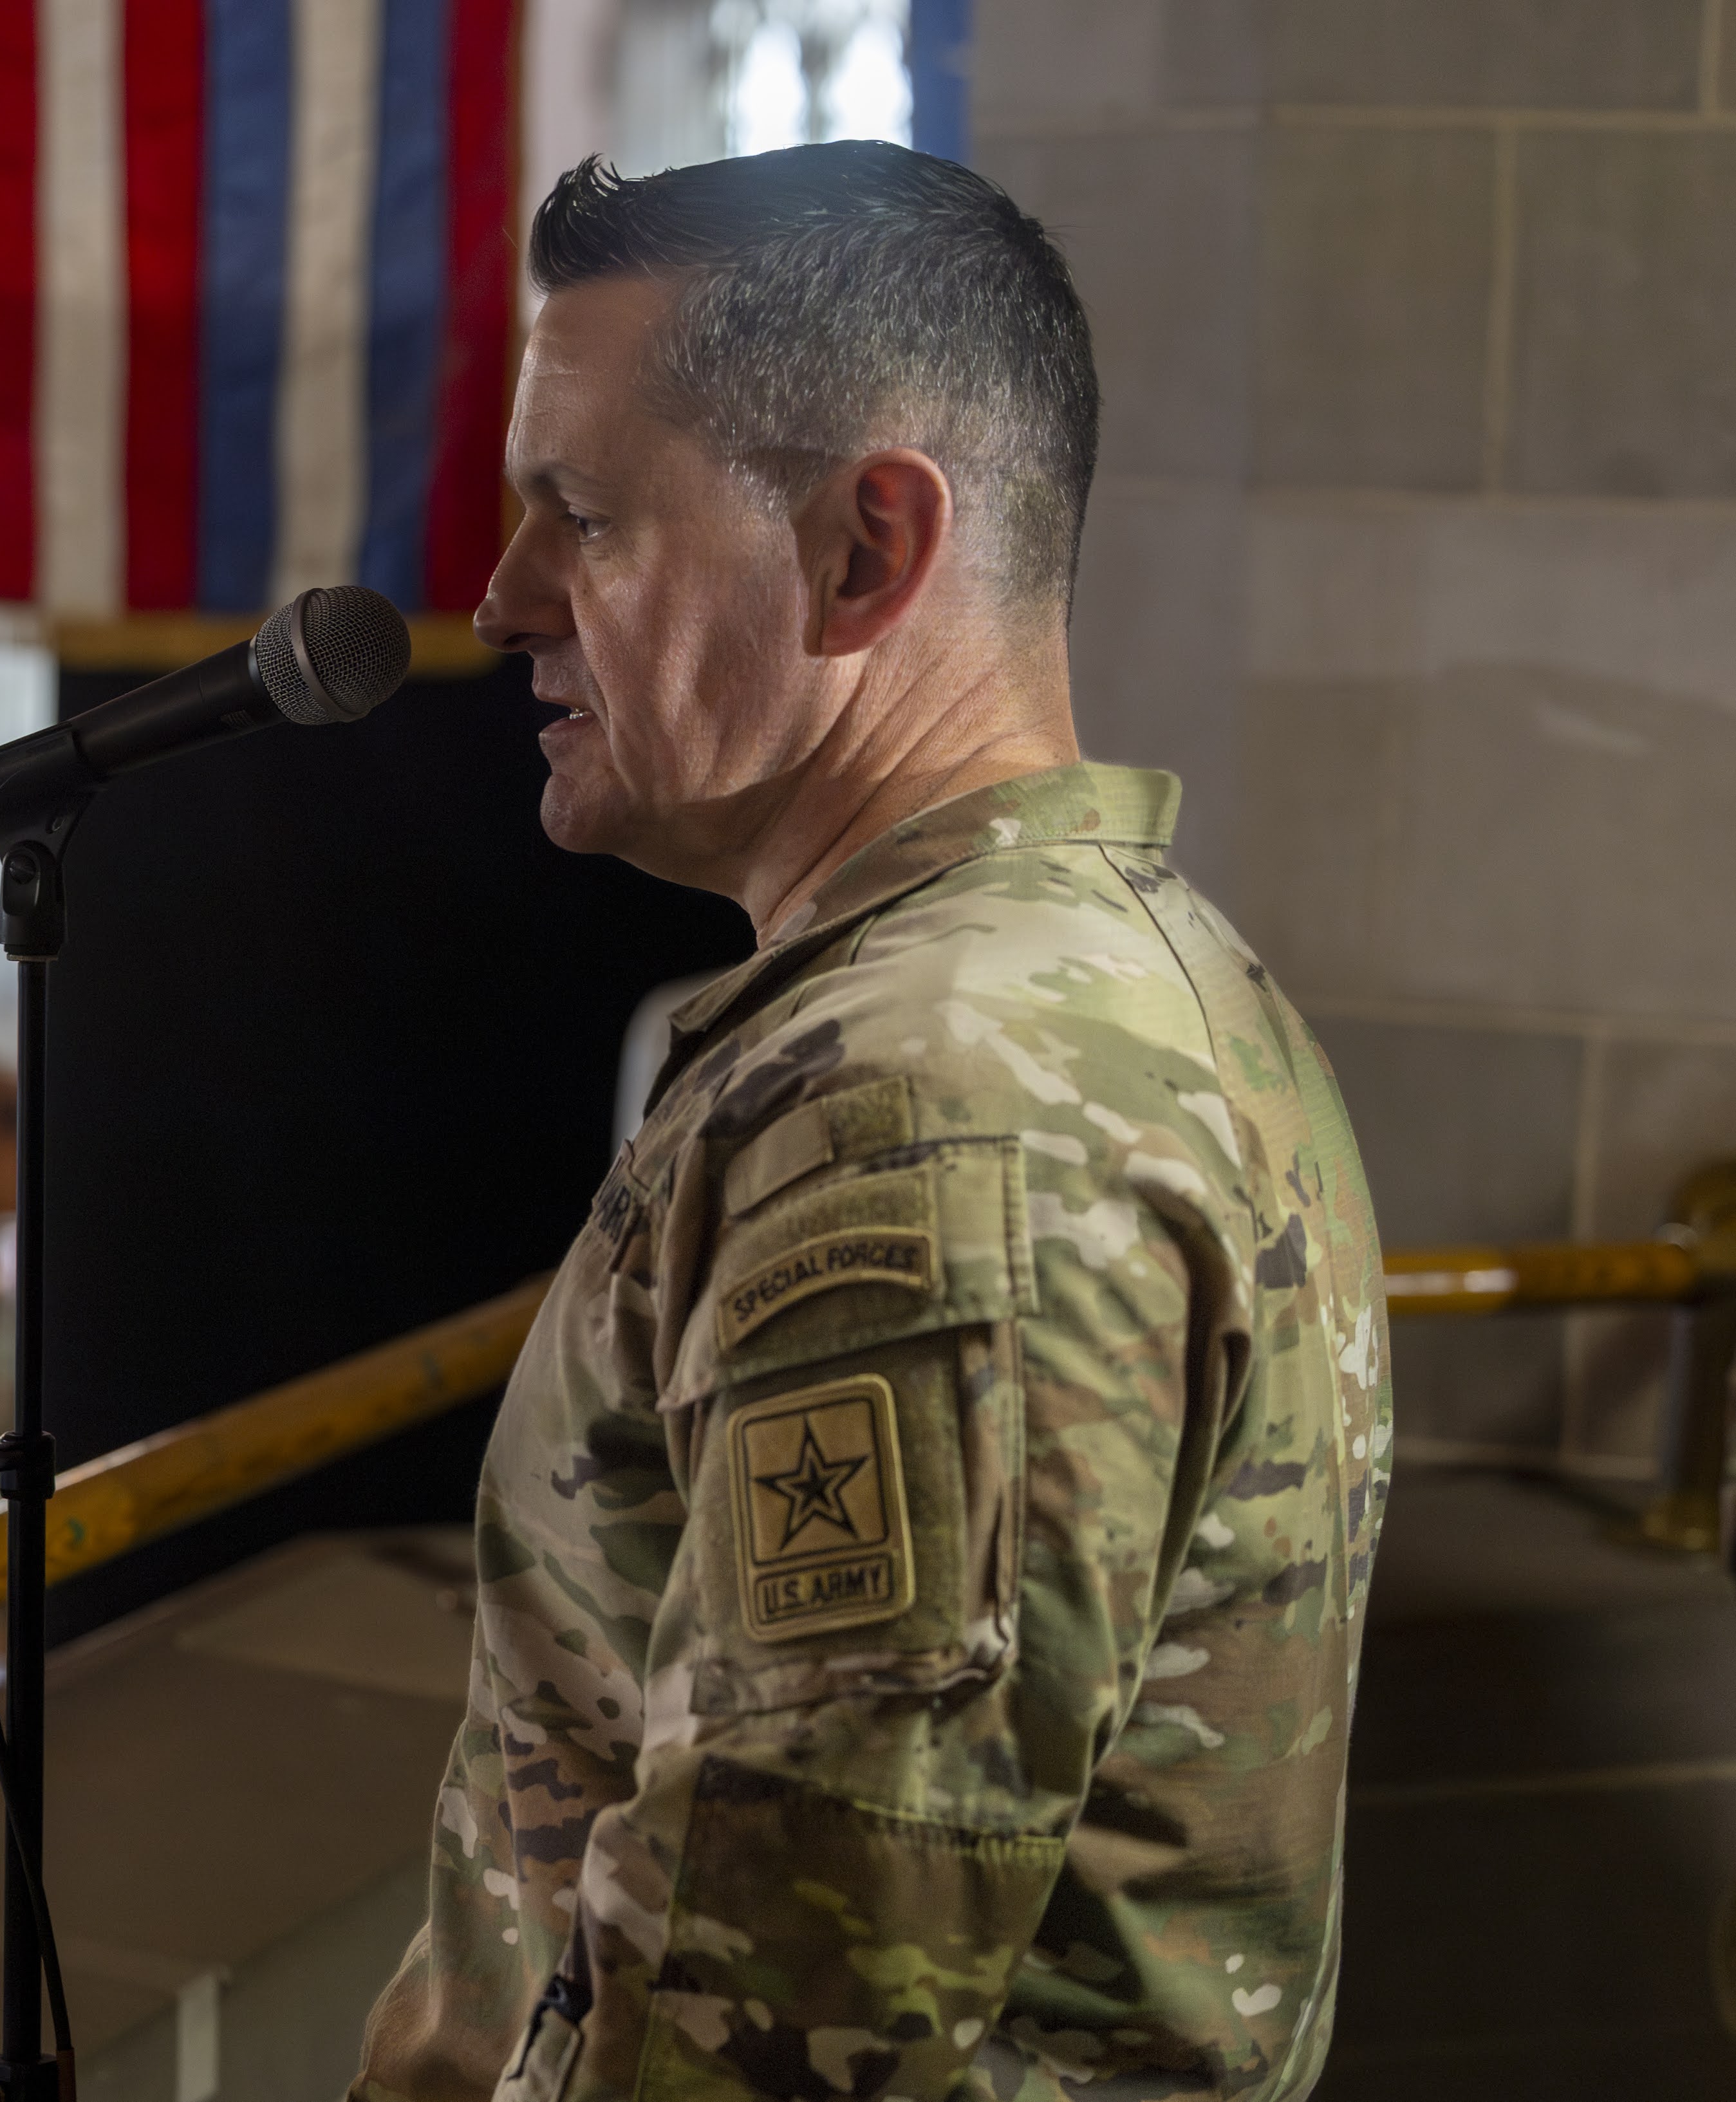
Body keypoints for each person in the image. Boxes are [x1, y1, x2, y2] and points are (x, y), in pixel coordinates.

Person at [351, 145, 1387, 2102]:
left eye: (577, 515)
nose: (496, 603)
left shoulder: (934, 1111)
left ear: (863, 553)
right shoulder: (1087, 979)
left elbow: (767, 2027)